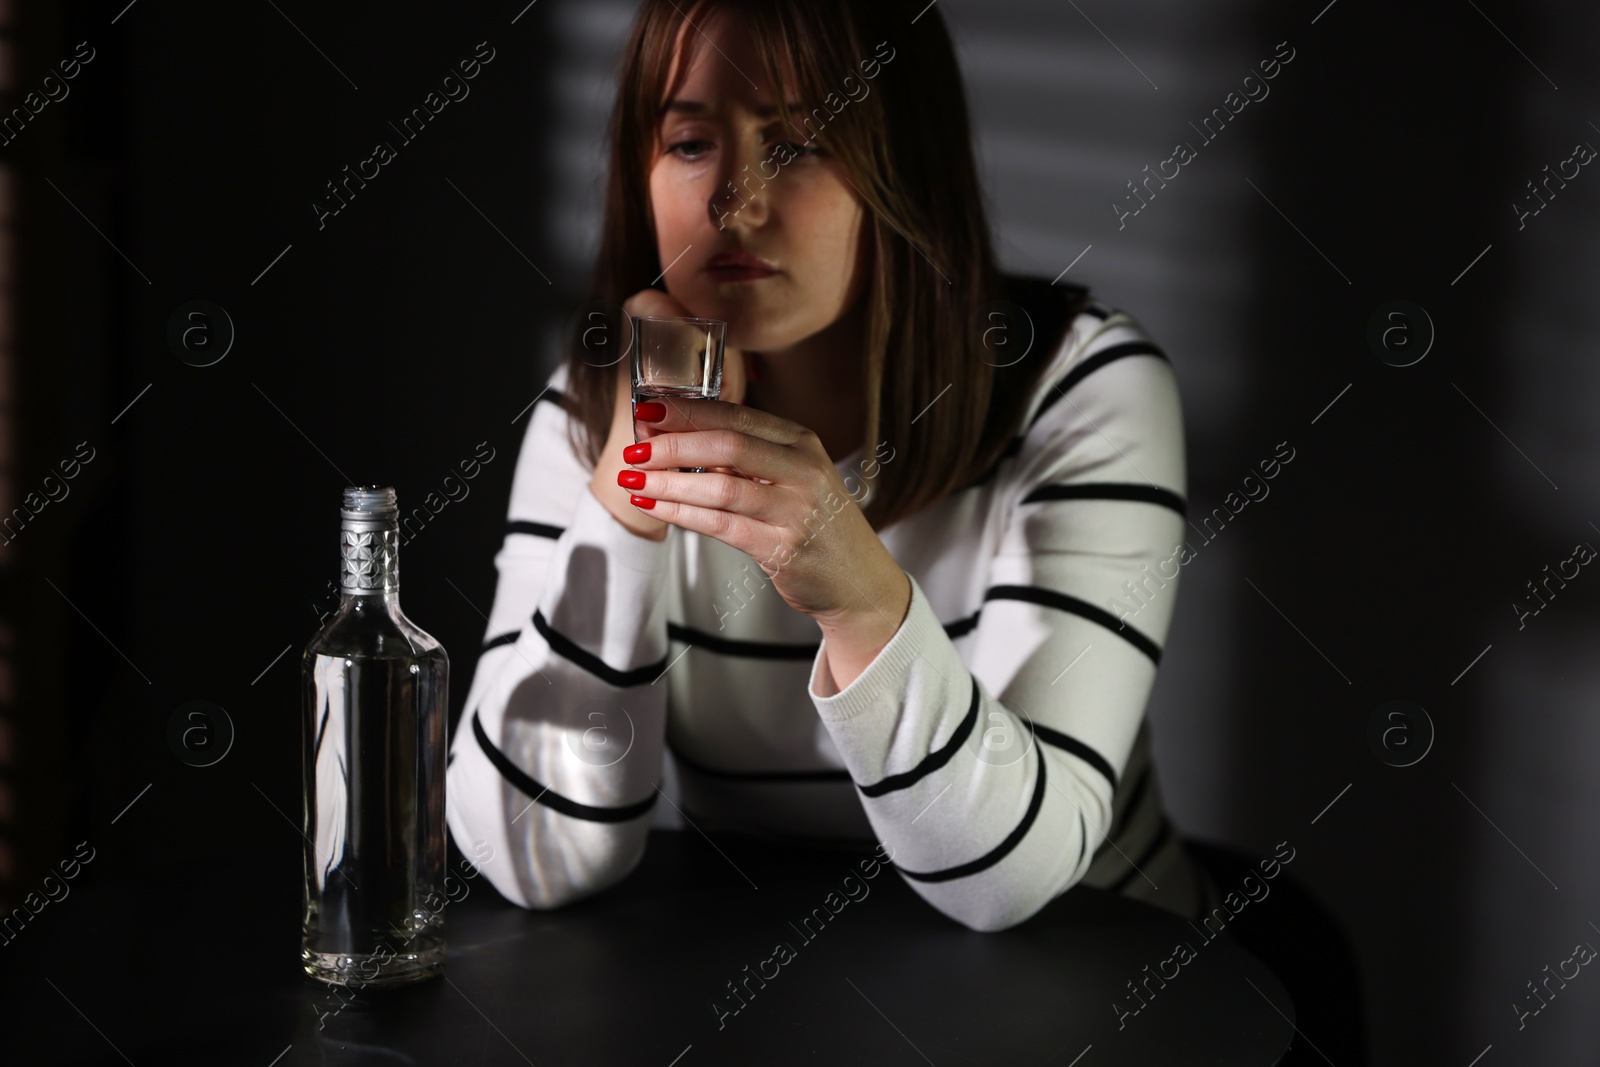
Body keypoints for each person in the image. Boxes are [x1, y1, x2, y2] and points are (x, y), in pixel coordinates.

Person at [447, 0, 1205, 935]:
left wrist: (861, 604)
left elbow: (1011, 883)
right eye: (690, 142)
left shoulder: (1077, 387)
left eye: (800, 144)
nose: (735, 200)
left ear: (907, 167)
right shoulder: (595, 404)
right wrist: (625, 505)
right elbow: (532, 854)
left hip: (1105, 979)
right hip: (780, 988)